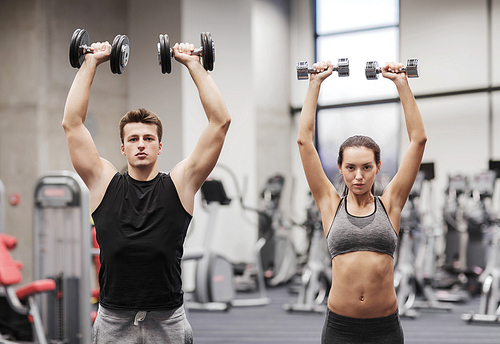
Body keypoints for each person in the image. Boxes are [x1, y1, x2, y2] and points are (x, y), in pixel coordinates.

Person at [62, 39, 230, 344]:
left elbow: (220, 122)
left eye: (149, 138)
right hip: (114, 319)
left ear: (160, 146)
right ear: (123, 148)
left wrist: (194, 64)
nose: (142, 143)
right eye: (134, 138)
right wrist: (90, 62)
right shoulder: (104, 182)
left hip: (167, 319)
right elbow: (72, 124)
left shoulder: (181, 183)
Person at [297, 60, 426, 344]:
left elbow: (418, 140)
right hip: (340, 329)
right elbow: (305, 142)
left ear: (378, 167)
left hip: (385, 329)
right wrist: (314, 84)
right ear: (340, 168)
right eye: (351, 167)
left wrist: (401, 83)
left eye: (366, 167)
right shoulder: (330, 204)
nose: (358, 176)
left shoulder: (390, 203)